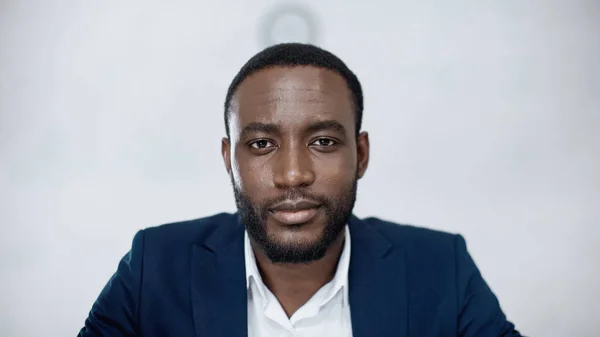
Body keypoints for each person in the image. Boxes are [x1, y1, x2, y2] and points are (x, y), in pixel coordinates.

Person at [78, 43, 522, 337]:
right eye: (262, 144)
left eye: (323, 142)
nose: (293, 175)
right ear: (229, 159)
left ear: (361, 154)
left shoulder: (441, 269)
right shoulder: (153, 267)